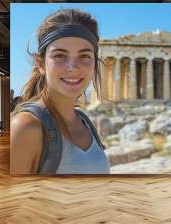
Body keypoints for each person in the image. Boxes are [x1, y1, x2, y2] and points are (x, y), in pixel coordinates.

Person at [10, 8, 110, 175]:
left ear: (94, 63)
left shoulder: (85, 122)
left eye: (84, 56)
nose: (73, 67)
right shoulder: (26, 128)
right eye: (60, 56)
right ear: (40, 64)